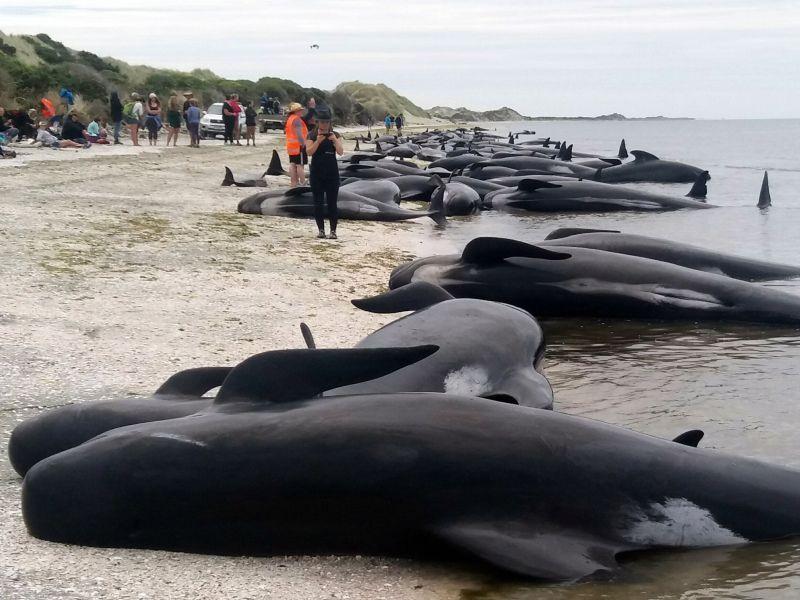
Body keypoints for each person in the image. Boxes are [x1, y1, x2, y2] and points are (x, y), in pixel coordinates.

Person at [305, 105, 343, 239]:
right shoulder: (312, 134)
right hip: (317, 173)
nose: (324, 124)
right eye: (322, 122)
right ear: (317, 122)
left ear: (330, 122)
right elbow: (309, 152)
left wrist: (334, 140)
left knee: (332, 203)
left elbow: (341, 152)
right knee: (318, 203)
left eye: (327, 122)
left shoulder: (335, 135)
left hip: (332, 173)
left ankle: (333, 231)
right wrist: (318, 141)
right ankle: (321, 230)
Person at [285, 102, 308, 187]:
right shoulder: (297, 120)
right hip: (298, 146)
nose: (301, 112)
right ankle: (303, 183)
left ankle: (293, 182)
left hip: (291, 146)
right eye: (300, 110)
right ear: (296, 111)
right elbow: (299, 134)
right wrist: (303, 144)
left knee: (292, 163)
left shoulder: (290, 119)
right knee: (300, 165)